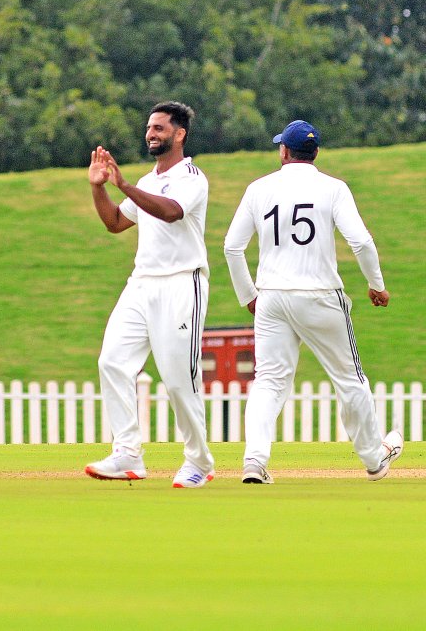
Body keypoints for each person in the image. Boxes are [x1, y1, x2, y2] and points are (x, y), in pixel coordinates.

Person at [223, 120, 403, 484]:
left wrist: (249, 296)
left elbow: (232, 247)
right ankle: (373, 458)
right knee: (349, 379)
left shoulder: (259, 189)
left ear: (284, 152)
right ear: (315, 153)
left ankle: (255, 461)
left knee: (269, 382)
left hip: (272, 296)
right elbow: (362, 243)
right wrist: (376, 285)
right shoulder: (332, 188)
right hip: (321, 295)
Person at [85, 101, 215, 488]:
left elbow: (172, 212)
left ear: (179, 135)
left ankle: (199, 461)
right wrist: (98, 188)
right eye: (149, 127)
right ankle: (128, 453)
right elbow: (114, 223)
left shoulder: (192, 177)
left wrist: (122, 184)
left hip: (182, 283)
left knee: (178, 380)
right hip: (141, 283)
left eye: (159, 128)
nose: (151, 134)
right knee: (112, 361)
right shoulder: (146, 182)